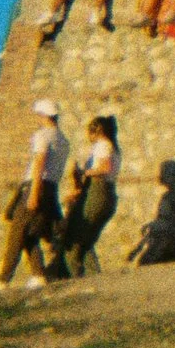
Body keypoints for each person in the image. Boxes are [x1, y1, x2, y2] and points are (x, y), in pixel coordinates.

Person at [0, 98, 70, 291]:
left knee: (17, 232)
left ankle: (2, 279)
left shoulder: (42, 136)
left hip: (36, 186)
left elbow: (39, 163)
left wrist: (34, 193)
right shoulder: (63, 141)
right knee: (31, 233)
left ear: (43, 115)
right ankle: (38, 274)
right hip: (51, 189)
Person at [56, 116, 120, 278]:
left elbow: (104, 167)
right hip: (107, 193)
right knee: (86, 241)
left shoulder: (102, 145)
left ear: (95, 132)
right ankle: (94, 277)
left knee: (74, 240)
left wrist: (84, 172)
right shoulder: (114, 149)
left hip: (96, 191)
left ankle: (77, 278)